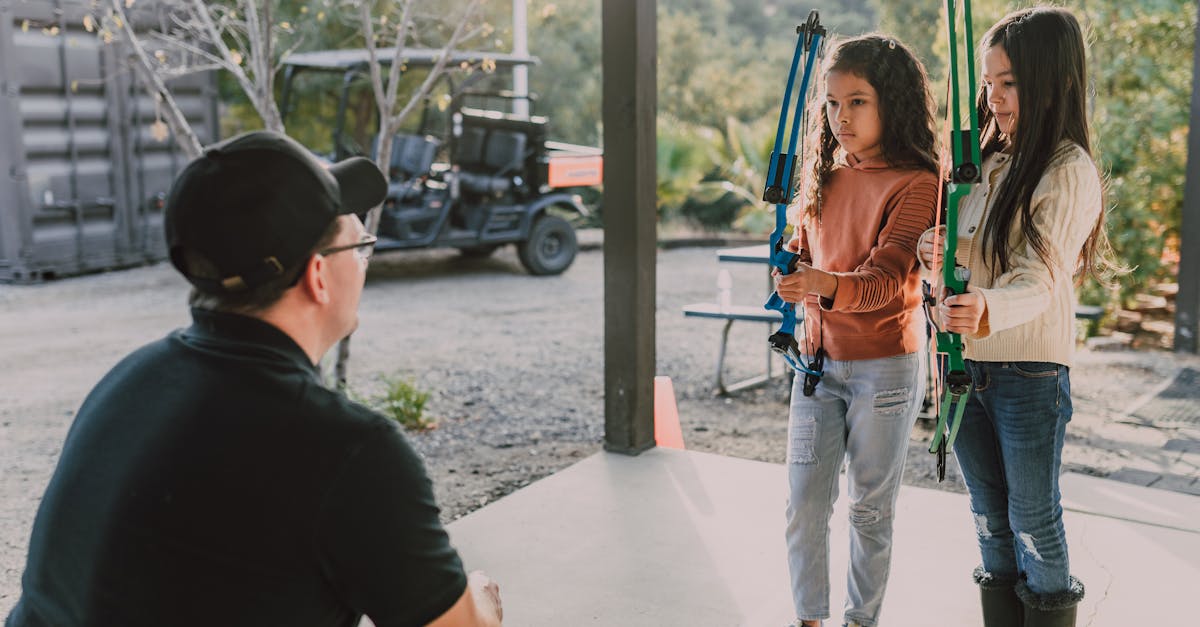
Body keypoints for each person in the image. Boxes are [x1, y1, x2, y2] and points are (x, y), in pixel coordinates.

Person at [6, 131, 503, 627]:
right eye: (360, 248)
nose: (362, 264)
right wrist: (480, 600)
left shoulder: (128, 383)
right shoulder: (349, 450)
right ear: (318, 276)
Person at [917, 7, 1106, 627]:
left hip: (1029, 372)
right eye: (988, 83)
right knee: (988, 516)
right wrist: (934, 252)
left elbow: (1041, 278)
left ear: (1051, 81)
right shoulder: (987, 162)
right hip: (968, 367)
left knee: (1032, 518)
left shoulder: (1067, 167)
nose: (993, 99)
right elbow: (961, 255)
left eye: (1010, 83)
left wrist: (986, 307)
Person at [773, 34, 939, 627]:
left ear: (891, 103)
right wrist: (793, 260)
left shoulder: (919, 181)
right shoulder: (823, 173)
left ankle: (859, 622)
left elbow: (885, 281)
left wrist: (817, 281)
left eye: (858, 102)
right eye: (832, 103)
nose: (841, 117)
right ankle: (809, 620)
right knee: (803, 504)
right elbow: (809, 250)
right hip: (816, 365)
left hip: (884, 370)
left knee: (870, 511)